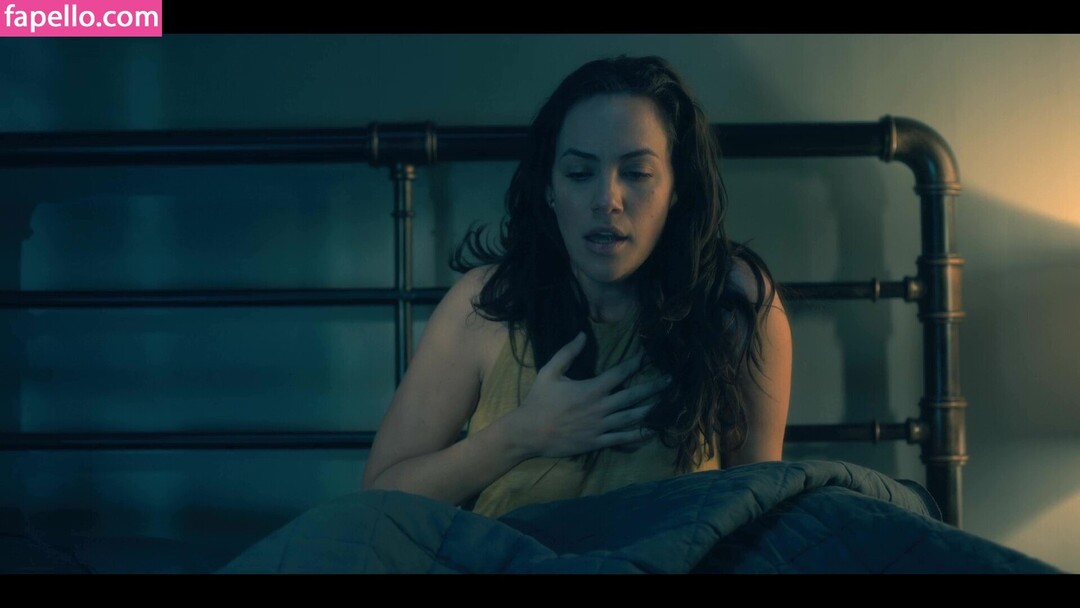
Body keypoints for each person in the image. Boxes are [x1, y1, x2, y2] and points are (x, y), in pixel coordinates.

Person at [362, 55, 792, 519]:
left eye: (637, 173)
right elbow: (376, 502)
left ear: (676, 188)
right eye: (579, 173)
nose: (607, 200)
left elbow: (760, 509)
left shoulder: (733, 301)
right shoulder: (484, 304)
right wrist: (520, 435)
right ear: (549, 187)